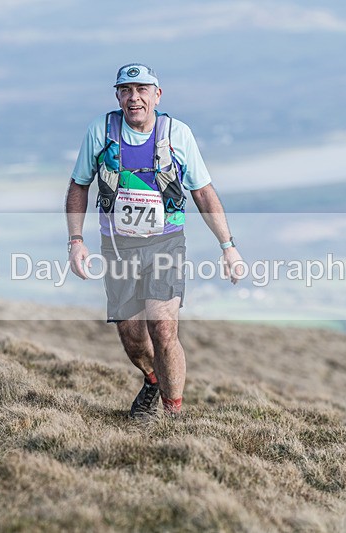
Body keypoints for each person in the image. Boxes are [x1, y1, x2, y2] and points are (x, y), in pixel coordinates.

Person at [65, 63, 243, 418]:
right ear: (117, 96)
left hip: (166, 245)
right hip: (117, 247)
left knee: (163, 329)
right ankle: (151, 379)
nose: (135, 98)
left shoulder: (178, 134)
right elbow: (78, 186)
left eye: (142, 90)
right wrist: (76, 241)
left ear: (156, 95)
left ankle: (173, 415)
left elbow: (203, 193)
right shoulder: (100, 131)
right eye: (126, 91)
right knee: (134, 339)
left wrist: (228, 246)